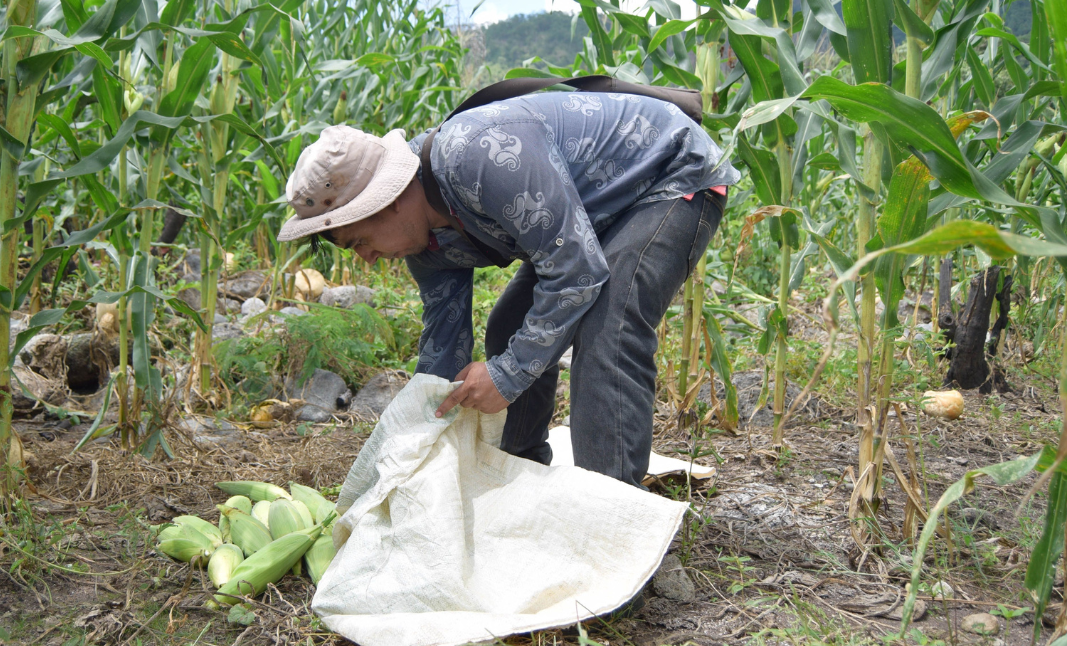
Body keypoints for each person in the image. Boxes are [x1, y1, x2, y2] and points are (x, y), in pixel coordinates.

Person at [276, 90, 738, 489]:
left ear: (390, 200)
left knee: (608, 330)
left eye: (361, 241)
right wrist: (409, 446)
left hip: (667, 174)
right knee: (508, 328)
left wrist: (506, 377)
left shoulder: (474, 157)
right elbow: (444, 351)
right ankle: (518, 473)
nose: (368, 259)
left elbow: (576, 272)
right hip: (591, 214)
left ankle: (608, 520)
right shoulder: (428, 247)